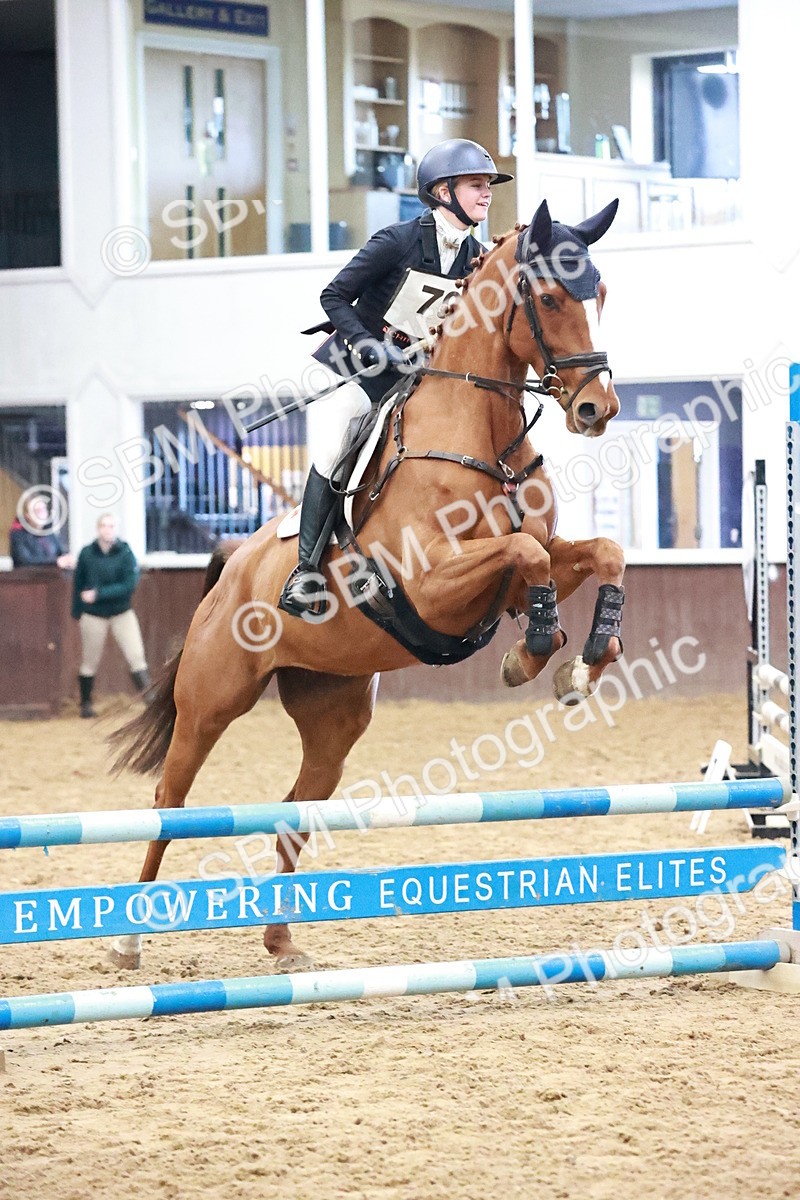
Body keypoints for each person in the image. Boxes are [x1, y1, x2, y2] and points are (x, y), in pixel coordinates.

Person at [280, 138, 513, 618]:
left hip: (422, 380)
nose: (486, 194)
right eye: (476, 185)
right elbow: (333, 296)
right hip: (365, 371)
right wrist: (368, 345)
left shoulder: (477, 257)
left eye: (488, 185)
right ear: (443, 191)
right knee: (335, 436)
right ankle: (305, 571)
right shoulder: (397, 240)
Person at [71, 513, 151, 718]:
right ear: (98, 529)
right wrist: (77, 611)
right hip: (93, 615)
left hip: (121, 611)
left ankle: (150, 700)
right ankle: (85, 704)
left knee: (136, 655)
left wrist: (98, 594)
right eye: (104, 526)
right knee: (90, 660)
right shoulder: (87, 554)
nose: (108, 529)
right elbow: (78, 583)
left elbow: (129, 585)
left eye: (112, 526)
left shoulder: (125, 553)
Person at [10, 494, 75, 569]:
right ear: (27, 515)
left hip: (54, 577)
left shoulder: (49, 533)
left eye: (44, 509)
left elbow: (60, 552)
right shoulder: (18, 535)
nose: (42, 513)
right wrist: (55, 562)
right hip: (30, 578)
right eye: (37, 511)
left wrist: (67, 559)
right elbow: (24, 561)